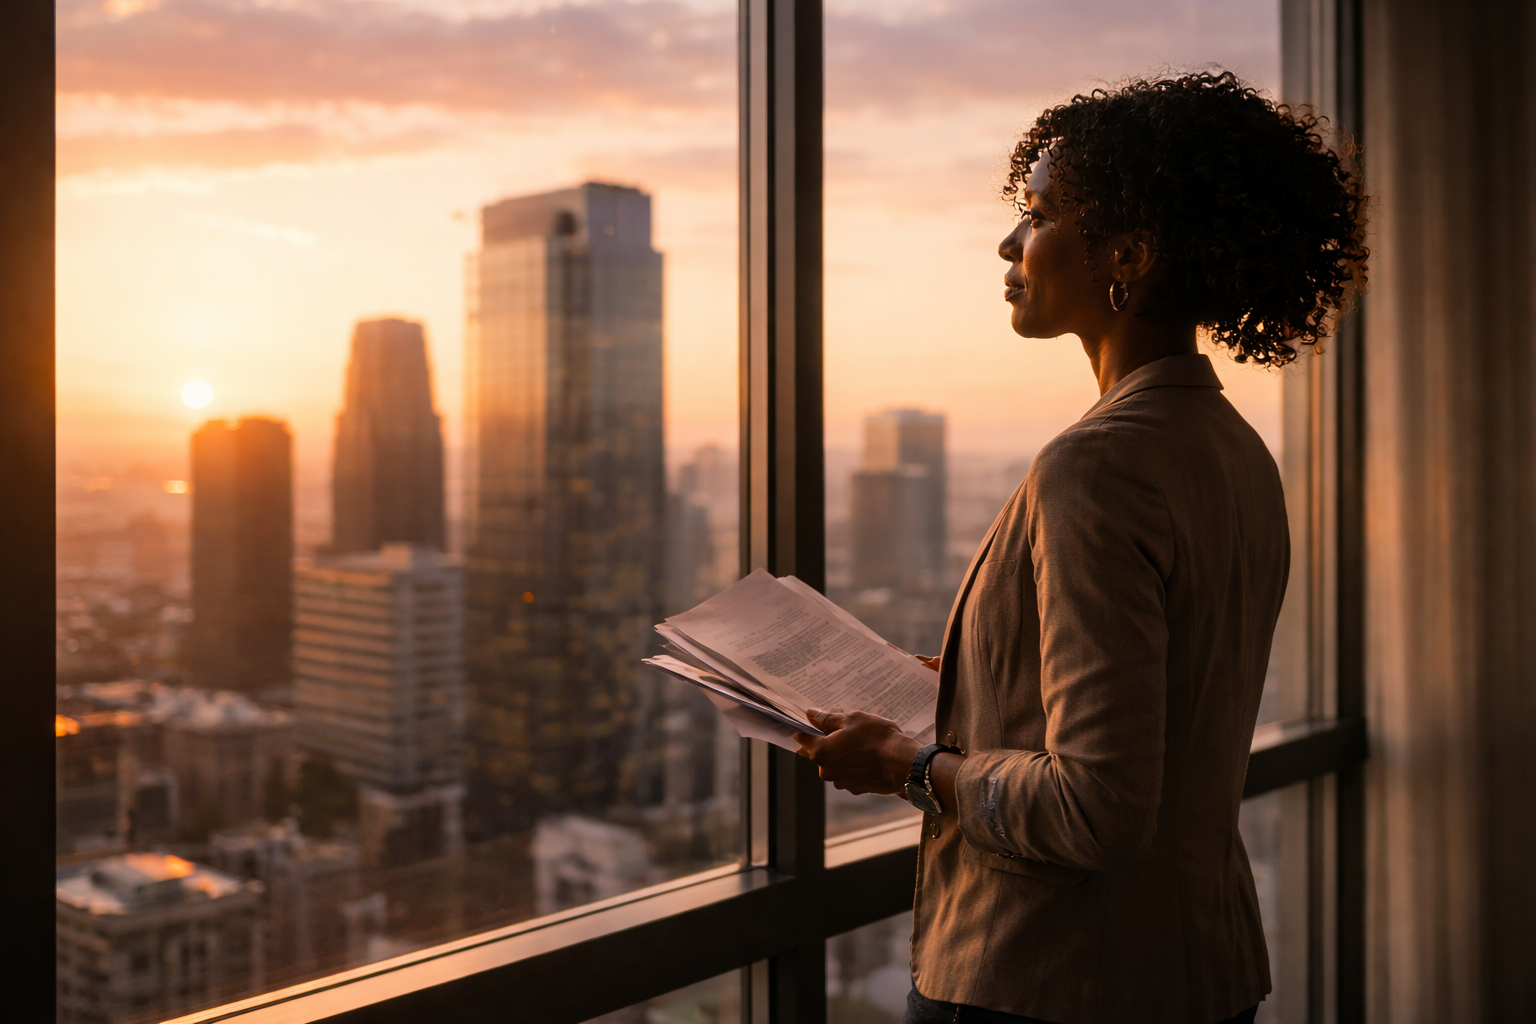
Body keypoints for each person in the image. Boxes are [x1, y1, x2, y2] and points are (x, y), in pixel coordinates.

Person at [795, 72, 1368, 1024]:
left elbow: (1095, 807)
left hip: (1047, 979)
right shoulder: (1232, 448)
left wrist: (905, 763)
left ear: (1127, 255)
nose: (1009, 243)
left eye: (1039, 215)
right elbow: (1169, 696)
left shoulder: (1094, 465)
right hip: (1196, 967)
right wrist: (975, 682)